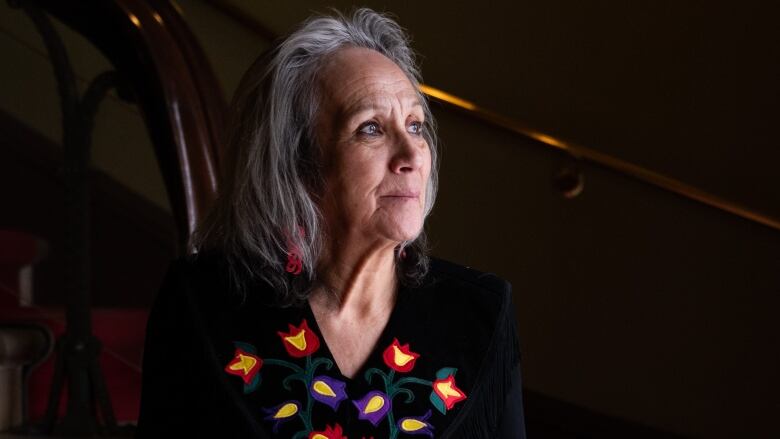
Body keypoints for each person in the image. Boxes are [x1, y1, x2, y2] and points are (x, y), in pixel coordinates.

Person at [136, 8, 525, 439]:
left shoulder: (479, 314)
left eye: (415, 125)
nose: (412, 156)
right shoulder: (203, 300)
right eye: (371, 128)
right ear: (298, 164)